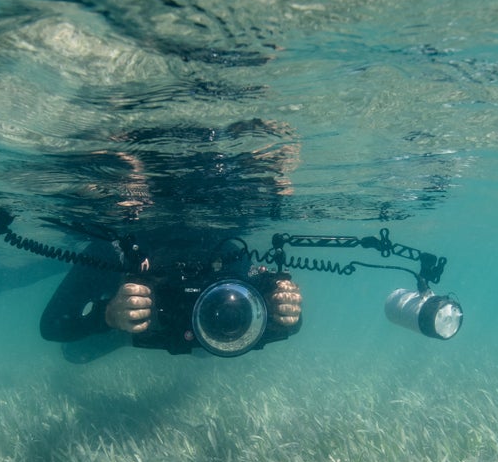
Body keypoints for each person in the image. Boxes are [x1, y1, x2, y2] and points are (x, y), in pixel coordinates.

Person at [36, 122, 304, 362]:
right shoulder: (116, 252)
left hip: (191, 331)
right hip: (124, 325)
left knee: (205, 352)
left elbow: (283, 314)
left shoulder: (230, 254)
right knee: (76, 354)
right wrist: (109, 315)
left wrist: (281, 309)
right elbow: (52, 326)